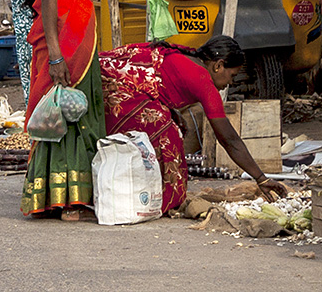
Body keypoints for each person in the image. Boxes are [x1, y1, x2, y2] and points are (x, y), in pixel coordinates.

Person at [99, 36, 288, 213]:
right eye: (232, 75)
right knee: (168, 134)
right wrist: (261, 178)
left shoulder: (185, 57)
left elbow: (155, 82)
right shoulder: (203, 81)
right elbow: (228, 138)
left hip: (107, 75)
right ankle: (166, 201)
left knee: (170, 122)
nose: (230, 82)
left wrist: (172, 111)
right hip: (114, 88)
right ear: (218, 66)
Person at [20, 0, 105, 221]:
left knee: (72, 112)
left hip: (77, 34)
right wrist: (55, 55)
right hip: (66, 41)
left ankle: (65, 196)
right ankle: (68, 202)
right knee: (70, 115)